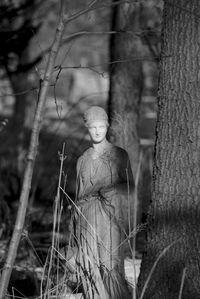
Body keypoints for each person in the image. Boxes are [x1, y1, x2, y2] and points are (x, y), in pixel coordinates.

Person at [74, 106, 134, 299]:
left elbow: (130, 187)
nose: (98, 131)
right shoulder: (82, 160)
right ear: (87, 128)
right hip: (87, 221)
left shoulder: (119, 155)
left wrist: (109, 190)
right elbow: (78, 196)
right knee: (89, 266)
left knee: (110, 264)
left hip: (109, 219)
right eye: (93, 127)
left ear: (107, 126)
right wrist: (75, 224)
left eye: (101, 126)